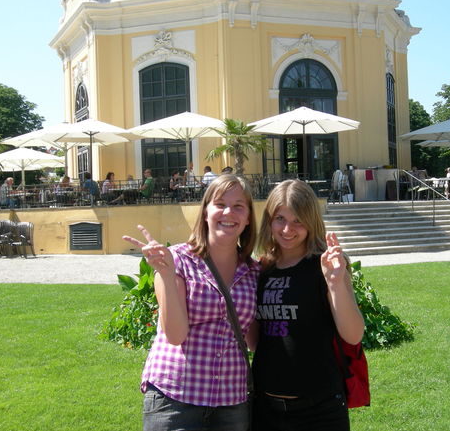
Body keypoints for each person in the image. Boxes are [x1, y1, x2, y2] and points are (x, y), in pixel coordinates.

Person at [123, 174, 259, 431]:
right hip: (175, 397)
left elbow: (254, 340)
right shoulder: (177, 260)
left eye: (239, 206)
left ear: (248, 217)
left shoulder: (253, 271)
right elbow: (175, 335)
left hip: (231, 400)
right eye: (220, 204)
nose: (228, 212)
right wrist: (164, 274)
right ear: (205, 212)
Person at [249, 179, 365, 431]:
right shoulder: (263, 269)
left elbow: (353, 335)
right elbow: (255, 341)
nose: (288, 229)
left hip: (319, 410)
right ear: (269, 220)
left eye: (298, 220)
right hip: (265, 408)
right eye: (280, 218)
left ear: (311, 222)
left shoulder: (326, 266)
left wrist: (335, 283)